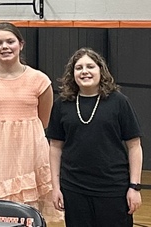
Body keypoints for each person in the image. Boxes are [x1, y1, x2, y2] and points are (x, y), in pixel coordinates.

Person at [0, 21, 61, 220]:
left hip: (30, 152)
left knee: (29, 211)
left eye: (10, 41)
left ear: (21, 44)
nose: (4, 47)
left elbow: (44, 121)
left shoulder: (40, 80)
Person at [47, 48, 142, 226]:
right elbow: (55, 147)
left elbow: (134, 146)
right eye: (79, 67)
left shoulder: (119, 102)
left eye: (90, 66)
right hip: (74, 188)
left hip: (113, 187)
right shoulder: (62, 104)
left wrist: (134, 187)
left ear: (101, 70)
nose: (84, 71)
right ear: (72, 73)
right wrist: (56, 187)